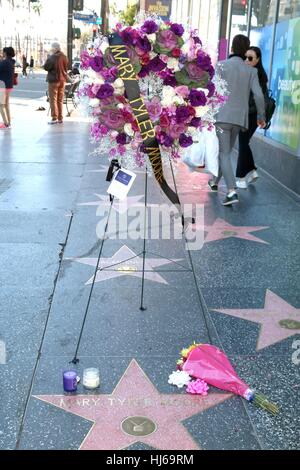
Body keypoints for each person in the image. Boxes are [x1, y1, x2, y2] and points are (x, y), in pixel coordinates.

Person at [209, 35, 266, 206]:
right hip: (239, 120)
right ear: (245, 50)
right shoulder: (251, 71)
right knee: (225, 152)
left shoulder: (221, 65)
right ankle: (214, 181)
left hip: (221, 117)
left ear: (232, 48)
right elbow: (258, 95)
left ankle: (232, 191)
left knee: (224, 153)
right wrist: (261, 116)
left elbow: (212, 90)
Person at [236, 47, 268, 189]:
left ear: (257, 60)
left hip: (251, 114)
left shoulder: (258, 75)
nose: (247, 60)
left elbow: (257, 97)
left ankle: (241, 177)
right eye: (245, 57)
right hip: (249, 114)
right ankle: (253, 171)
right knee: (245, 143)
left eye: (250, 58)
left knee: (243, 144)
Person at [43, 42, 68, 124]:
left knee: (53, 99)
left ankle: (54, 118)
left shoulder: (52, 57)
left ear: (54, 49)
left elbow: (46, 67)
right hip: (62, 80)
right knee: (60, 100)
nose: (51, 50)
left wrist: (49, 57)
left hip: (54, 80)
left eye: (52, 48)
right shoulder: (64, 57)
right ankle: (60, 118)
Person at [0, 46, 16, 129]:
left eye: (3, 52)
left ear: (5, 53)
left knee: (1, 105)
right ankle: (8, 122)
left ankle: (5, 123)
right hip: (9, 86)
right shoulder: (12, 61)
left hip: (3, 85)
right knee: (6, 104)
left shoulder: (4, 62)